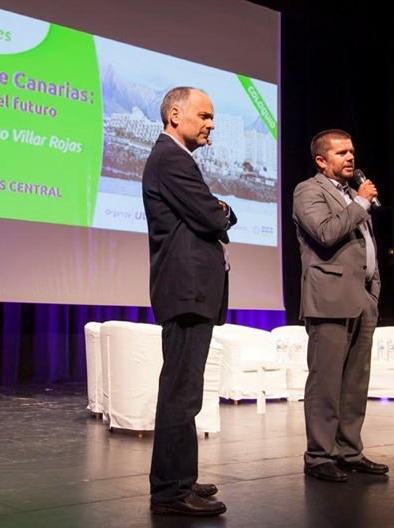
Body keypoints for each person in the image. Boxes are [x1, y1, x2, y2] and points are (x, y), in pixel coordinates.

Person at [142, 86, 235, 516]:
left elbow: (210, 212)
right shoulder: (171, 158)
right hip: (186, 290)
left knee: (186, 393)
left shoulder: (177, 159)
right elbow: (210, 215)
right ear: (175, 114)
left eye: (212, 117)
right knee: (180, 393)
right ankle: (169, 492)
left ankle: (181, 479)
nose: (210, 124)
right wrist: (222, 211)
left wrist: (218, 209)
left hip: (192, 291)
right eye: (205, 116)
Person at [292, 129, 389, 482]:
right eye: (341, 153)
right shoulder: (308, 191)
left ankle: (349, 451)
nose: (351, 158)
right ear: (321, 160)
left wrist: (373, 288)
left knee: (355, 382)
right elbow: (326, 233)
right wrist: (361, 204)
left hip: (362, 296)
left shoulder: (351, 195)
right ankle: (319, 456)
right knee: (326, 382)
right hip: (329, 299)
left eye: (352, 151)